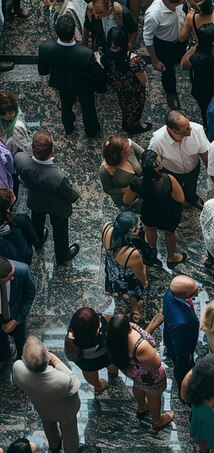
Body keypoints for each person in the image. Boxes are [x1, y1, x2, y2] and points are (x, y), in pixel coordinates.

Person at [14, 129, 80, 264]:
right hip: (57, 208)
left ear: (33, 149)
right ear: (51, 151)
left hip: (36, 202)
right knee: (60, 230)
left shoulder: (21, 160)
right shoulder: (57, 177)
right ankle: (62, 255)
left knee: (37, 221)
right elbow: (71, 196)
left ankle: (37, 241)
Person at [13, 336, 81, 453]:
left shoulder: (18, 368)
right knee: (70, 431)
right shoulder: (63, 380)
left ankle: (54, 444)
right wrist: (57, 362)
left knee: (48, 426)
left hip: (42, 408)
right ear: (47, 357)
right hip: (64, 412)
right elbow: (74, 382)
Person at [38, 13, 104, 138]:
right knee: (88, 107)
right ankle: (91, 130)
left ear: (57, 32)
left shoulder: (45, 48)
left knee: (66, 105)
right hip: (83, 85)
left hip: (61, 83)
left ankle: (69, 127)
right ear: (74, 31)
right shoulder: (85, 53)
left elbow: (43, 71)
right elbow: (97, 73)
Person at [106, 314, 173, 431]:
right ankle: (157, 421)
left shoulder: (113, 338)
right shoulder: (139, 346)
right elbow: (156, 363)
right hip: (150, 377)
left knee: (138, 386)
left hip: (132, 372)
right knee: (154, 396)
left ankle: (142, 406)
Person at [124, 149, 187, 268]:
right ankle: (171, 257)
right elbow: (180, 199)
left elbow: (126, 200)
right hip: (169, 213)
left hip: (149, 211)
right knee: (169, 233)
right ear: (157, 167)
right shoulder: (168, 180)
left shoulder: (136, 182)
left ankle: (152, 254)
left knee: (150, 230)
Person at [148, 110, 209, 208]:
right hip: (172, 172)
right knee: (173, 191)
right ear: (174, 130)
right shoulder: (157, 141)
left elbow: (205, 152)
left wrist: (210, 169)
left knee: (191, 186)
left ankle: (191, 198)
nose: (190, 130)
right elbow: (152, 160)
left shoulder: (197, 130)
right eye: (187, 129)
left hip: (193, 168)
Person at [181, 24, 214, 129]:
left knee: (206, 111)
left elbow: (184, 65)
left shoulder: (196, 59)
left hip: (201, 91)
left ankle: (208, 126)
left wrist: (194, 49)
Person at [102, 27, 150, 135]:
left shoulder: (105, 55)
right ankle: (133, 127)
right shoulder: (134, 61)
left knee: (124, 106)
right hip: (134, 91)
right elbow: (144, 80)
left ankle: (126, 122)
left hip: (118, 87)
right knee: (135, 109)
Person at [101, 212, 148, 323]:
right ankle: (134, 304)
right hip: (127, 279)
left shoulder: (106, 227)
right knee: (136, 287)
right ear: (131, 231)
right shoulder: (133, 254)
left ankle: (120, 302)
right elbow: (140, 275)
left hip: (112, 272)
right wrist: (145, 281)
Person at [143, 0, 187, 111]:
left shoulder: (182, 4)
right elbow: (147, 37)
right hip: (164, 45)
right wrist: (155, 60)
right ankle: (170, 92)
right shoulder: (154, 13)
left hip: (180, 40)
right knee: (167, 70)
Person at [64, 307, 117, 393]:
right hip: (108, 355)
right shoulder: (103, 322)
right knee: (113, 366)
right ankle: (113, 374)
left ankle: (98, 385)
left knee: (90, 375)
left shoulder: (73, 338)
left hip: (88, 363)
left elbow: (71, 356)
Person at [160, 274, 200, 389]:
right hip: (183, 346)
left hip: (172, 331)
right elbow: (179, 345)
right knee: (182, 368)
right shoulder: (181, 322)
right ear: (186, 295)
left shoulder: (170, 293)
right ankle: (184, 387)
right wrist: (186, 357)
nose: (197, 290)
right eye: (194, 290)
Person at [0, 256, 36, 361]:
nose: (12, 278)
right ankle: (5, 355)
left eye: (12, 274)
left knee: (20, 341)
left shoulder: (22, 270)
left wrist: (16, 320)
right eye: (7, 278)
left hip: (15, 314)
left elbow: (30, 293)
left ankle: (21, 359)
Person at [99, 134, 144, 208]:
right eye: (126, 151)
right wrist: (125, 190)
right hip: (125, 197)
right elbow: (108, 190)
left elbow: (144, 154)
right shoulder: (105, 170)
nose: (129, 151)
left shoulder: (128, 145)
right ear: (117, 155)